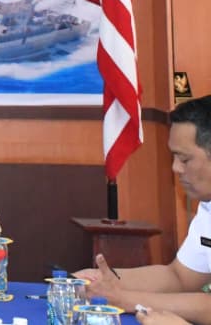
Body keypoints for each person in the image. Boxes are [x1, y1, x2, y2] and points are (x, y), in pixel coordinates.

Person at [74, 96, 211, 323]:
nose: (175, 168)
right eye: (174, 157)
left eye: (185, 159)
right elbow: (179, 277)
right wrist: (107, 279)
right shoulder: (207, 207)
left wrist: (123, 299)